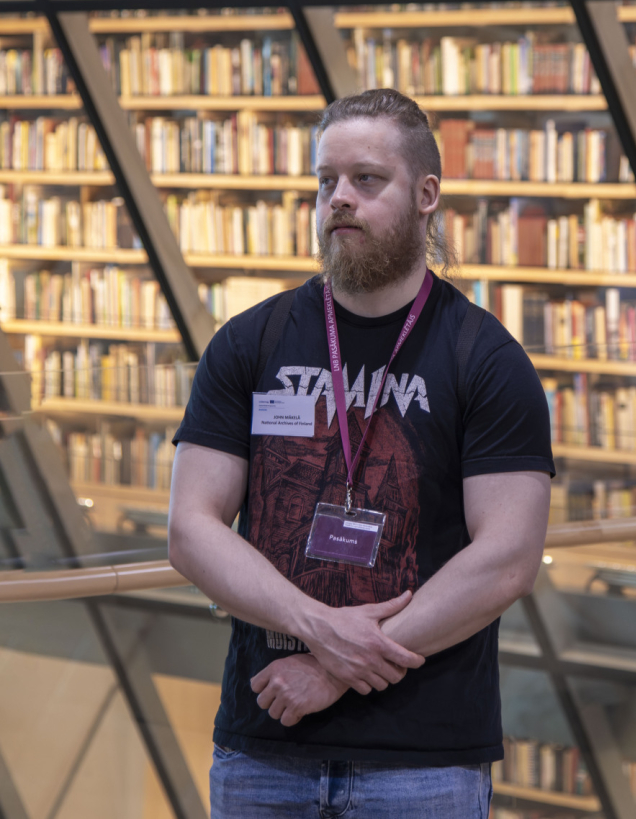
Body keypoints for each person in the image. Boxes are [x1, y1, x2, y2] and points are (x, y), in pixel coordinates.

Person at [168, 88, 555, 819]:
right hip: (263, 749)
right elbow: (191, 529)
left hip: (424, 763)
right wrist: (319, 628)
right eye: (327, 181)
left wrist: (335, 669)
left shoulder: (486, 359)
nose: (339, 198)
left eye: (367, 179)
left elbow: (507, 559)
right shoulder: (250, 343)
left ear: (426, 195)